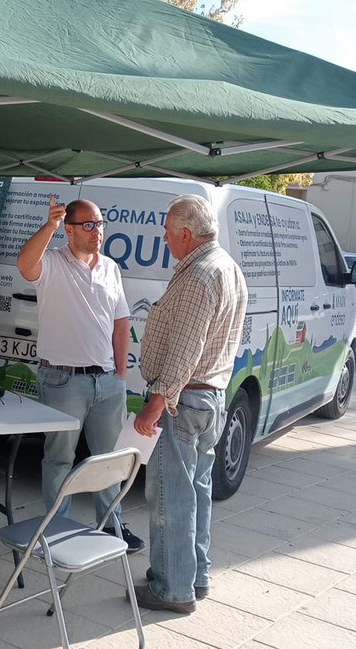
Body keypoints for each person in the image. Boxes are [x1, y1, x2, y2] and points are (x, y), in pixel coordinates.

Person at [133, 193, 248, 614]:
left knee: (171, 497)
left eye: (166, 231)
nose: (164, 239)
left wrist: (156, 403)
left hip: (184, 399)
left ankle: (171, 588)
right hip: (210, 397)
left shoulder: (201, 274)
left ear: (185, 233)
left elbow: (185, 349)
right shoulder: (227, 267)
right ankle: (194, 577)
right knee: (196, 492)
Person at [16, 196, 144, 553]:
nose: (97, 231)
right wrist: (49, 226)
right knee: (59, 458)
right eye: (88, 225)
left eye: (100, 223)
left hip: (106, 381)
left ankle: (112, 525)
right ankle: (57, 526)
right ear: (69, 229)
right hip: (62, 380)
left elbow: (121, 322)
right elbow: (25, 265)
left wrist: (119, 373)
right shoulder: (53, 262)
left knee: (107, 460)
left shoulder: (110, 268)